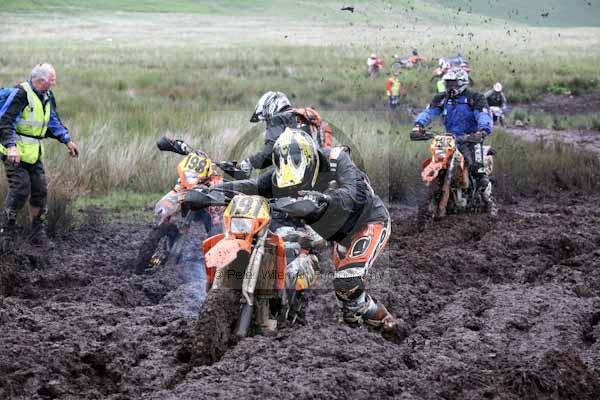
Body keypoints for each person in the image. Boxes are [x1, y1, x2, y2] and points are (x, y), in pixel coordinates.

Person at [185, 128, 398, 336]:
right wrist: (209, 192)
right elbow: (252, 185)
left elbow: (355, 193)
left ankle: (388, 325)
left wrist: (325, 199)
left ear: (312, 164)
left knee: (347, 285)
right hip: (333, 234)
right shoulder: (279, 176)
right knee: (347, 306)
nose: (297, 187)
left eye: (301, 182)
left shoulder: (336, 160)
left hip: (367, 223)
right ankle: (278, 303)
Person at [0, 63, 79, 246]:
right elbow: (5, 121)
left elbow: (52, 121)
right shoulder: (21, 94)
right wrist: (11, 146)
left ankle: (37, 232)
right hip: (14, 153)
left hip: (34, 154)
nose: (54, 83)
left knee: (40, 191)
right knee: (20, 189)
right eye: (52, 79)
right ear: (41, 80)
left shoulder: (47, 96)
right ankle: (6, 234)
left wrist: (67, 140)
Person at [412, 66, 498, 216]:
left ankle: (490, 204)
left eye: (453, 83)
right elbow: (428, 112)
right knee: (437, 161)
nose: (450, 86)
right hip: (449, 139)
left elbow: (483, 115)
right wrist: (419, 125)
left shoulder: (475, 97)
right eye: (448, 83)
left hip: (470, 139)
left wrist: (482, 130)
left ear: (462, 82)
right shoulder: (442, 98)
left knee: (477, 170)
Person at [241, 91, 333, 175]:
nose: (267, 123)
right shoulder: (305, 117)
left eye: (266, 120)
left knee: (259, 183)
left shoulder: (277, 119)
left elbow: (270, 152)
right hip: (323, 170)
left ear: (271, 107)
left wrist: (249, 163)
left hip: (298, 172)